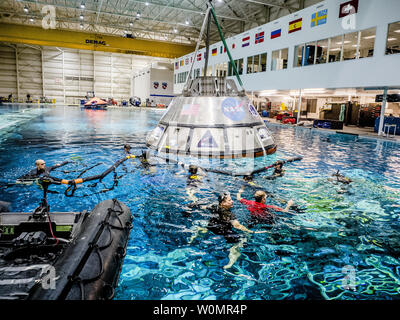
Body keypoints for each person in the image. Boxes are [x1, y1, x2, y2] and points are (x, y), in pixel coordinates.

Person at [191, 192, 267, 269]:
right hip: (223, 231)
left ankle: (195, 235)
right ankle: (230, 263)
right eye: (229, 200)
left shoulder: (214, 206)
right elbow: (237, 226)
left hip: (211, 227)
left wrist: (192, 206)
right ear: (223, 203)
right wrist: (253, 232)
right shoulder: (229, 214)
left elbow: (202, 207)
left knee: (203, 226)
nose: (232, 201)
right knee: (241, 241)